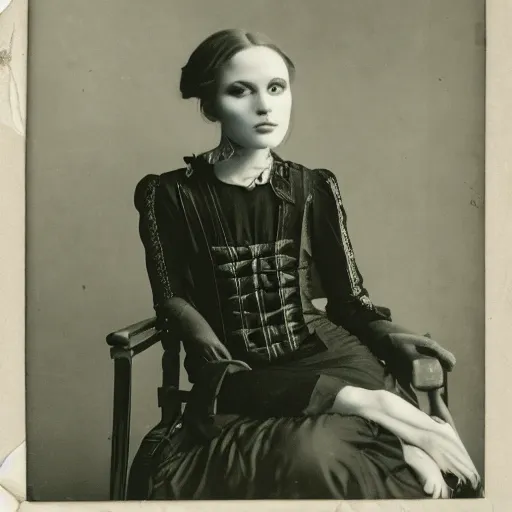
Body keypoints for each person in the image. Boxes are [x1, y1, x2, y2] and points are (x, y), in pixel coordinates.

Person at [132, 29, 480, 500]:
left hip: (330, 354)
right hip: (243, 371)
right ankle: (391, 428)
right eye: (241, 90)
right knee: (320, 447)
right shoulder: (169, 193)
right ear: (211, 104)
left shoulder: (312, 186)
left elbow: (348, 301)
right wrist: (203, 342)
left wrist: (390, 336)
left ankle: (391, 426)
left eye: (276, 88)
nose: (265, 106)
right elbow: (169, 293)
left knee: (346, 423)